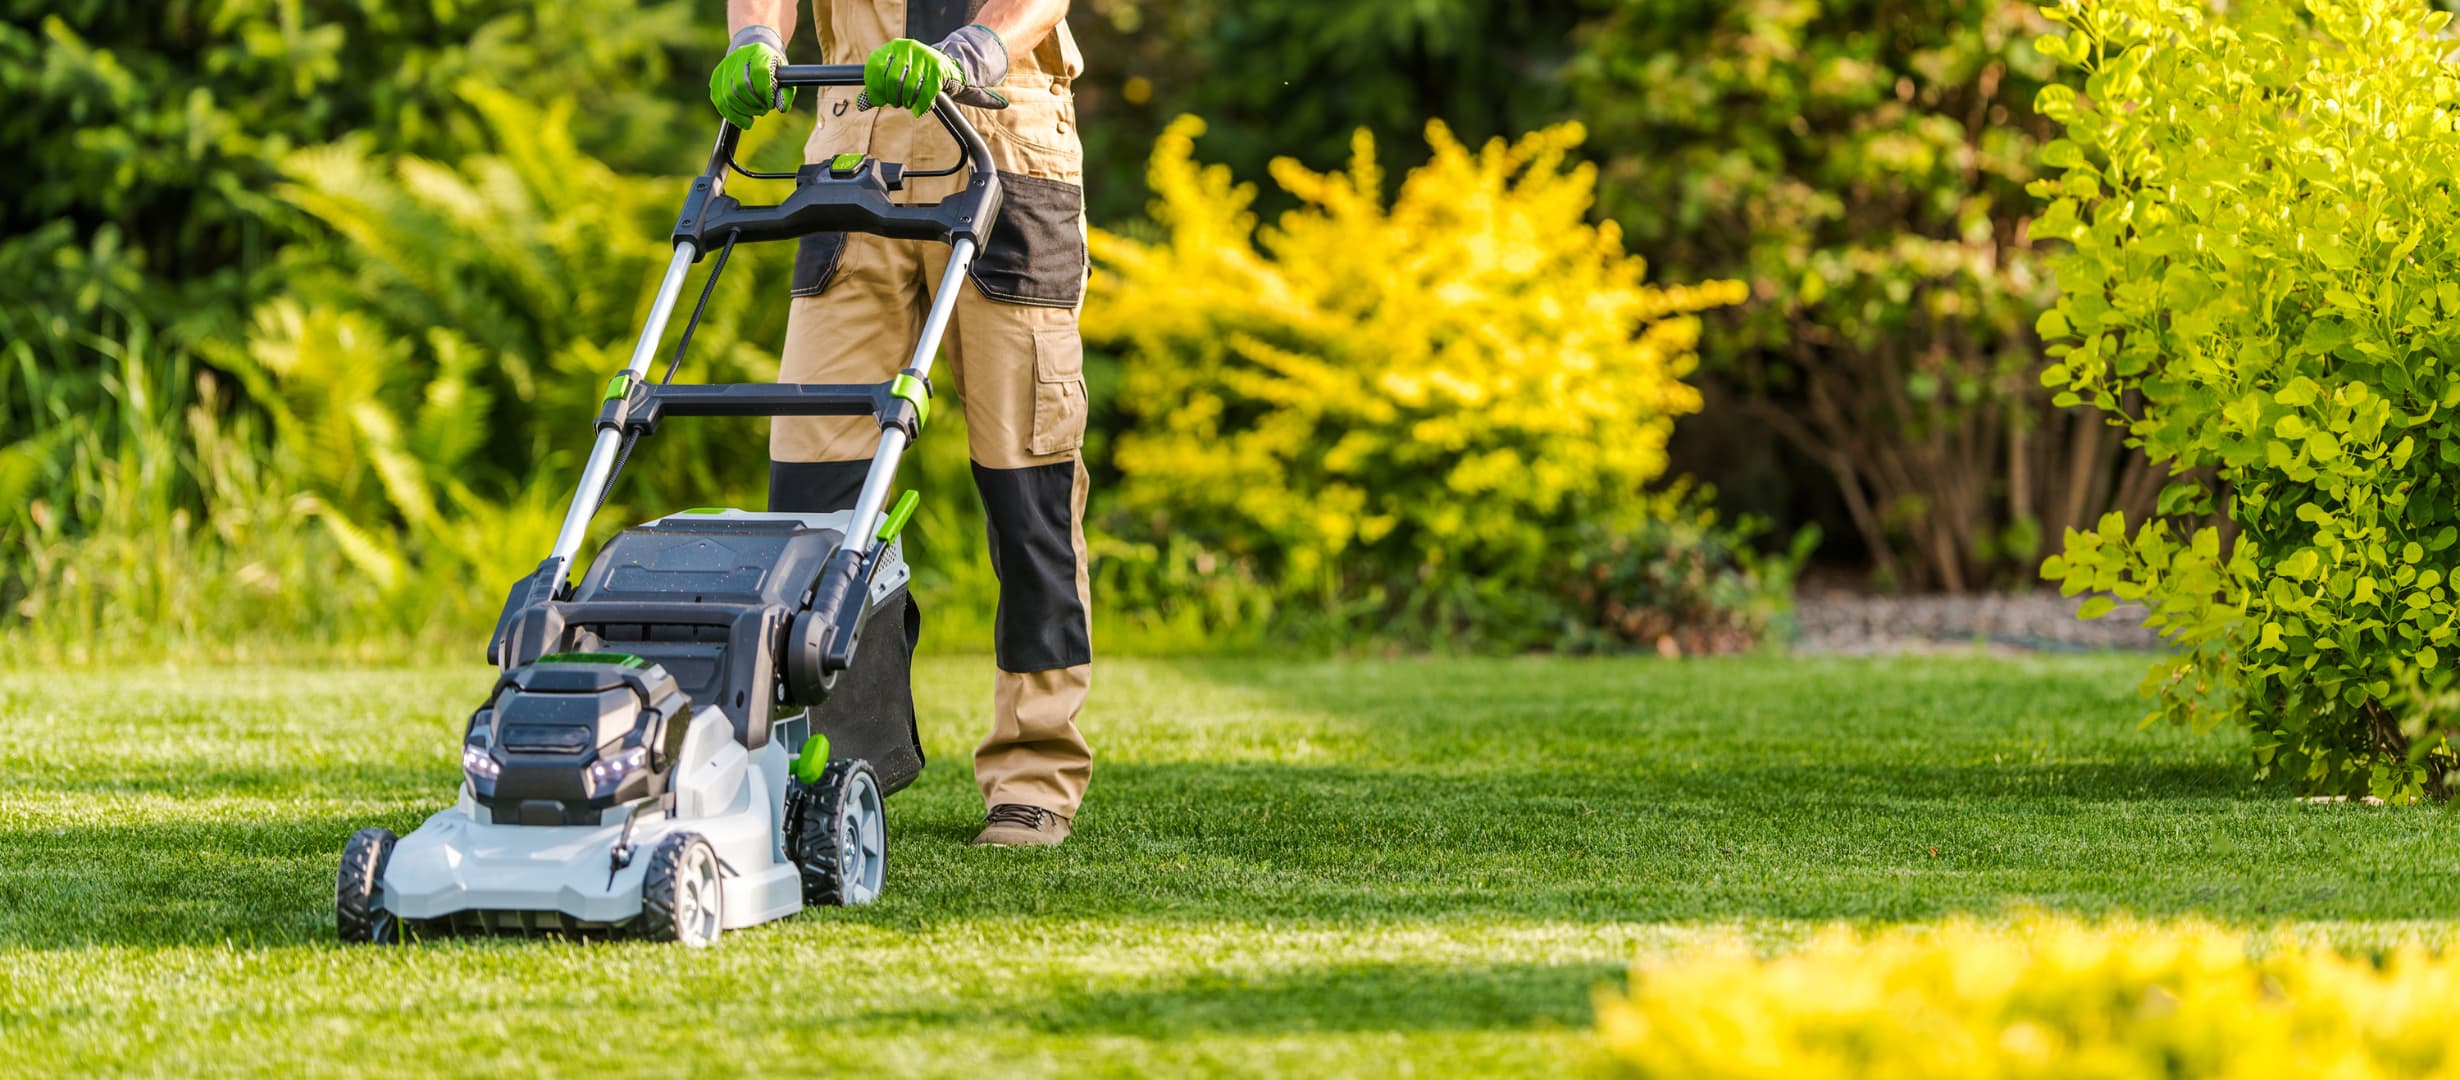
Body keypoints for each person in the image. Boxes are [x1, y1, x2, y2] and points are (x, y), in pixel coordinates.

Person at [709, 1, 1091, 847]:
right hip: (854, 146)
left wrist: (976, 46)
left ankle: (1034, 772)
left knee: (1025, 477)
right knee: (812, 479)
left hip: (1002, 136)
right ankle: (837, 762)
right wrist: (754, 39)